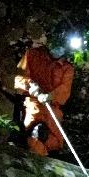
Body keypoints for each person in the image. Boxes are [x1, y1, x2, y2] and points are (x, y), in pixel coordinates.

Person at [14, 25, 74, 157]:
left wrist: (50, 96)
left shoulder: (67, 68)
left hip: (53, 109)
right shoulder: (32, 55)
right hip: (33, 104)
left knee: (54, 142)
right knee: (35, 133)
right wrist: (31, 86)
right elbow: (18, 77)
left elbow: (64, 91)